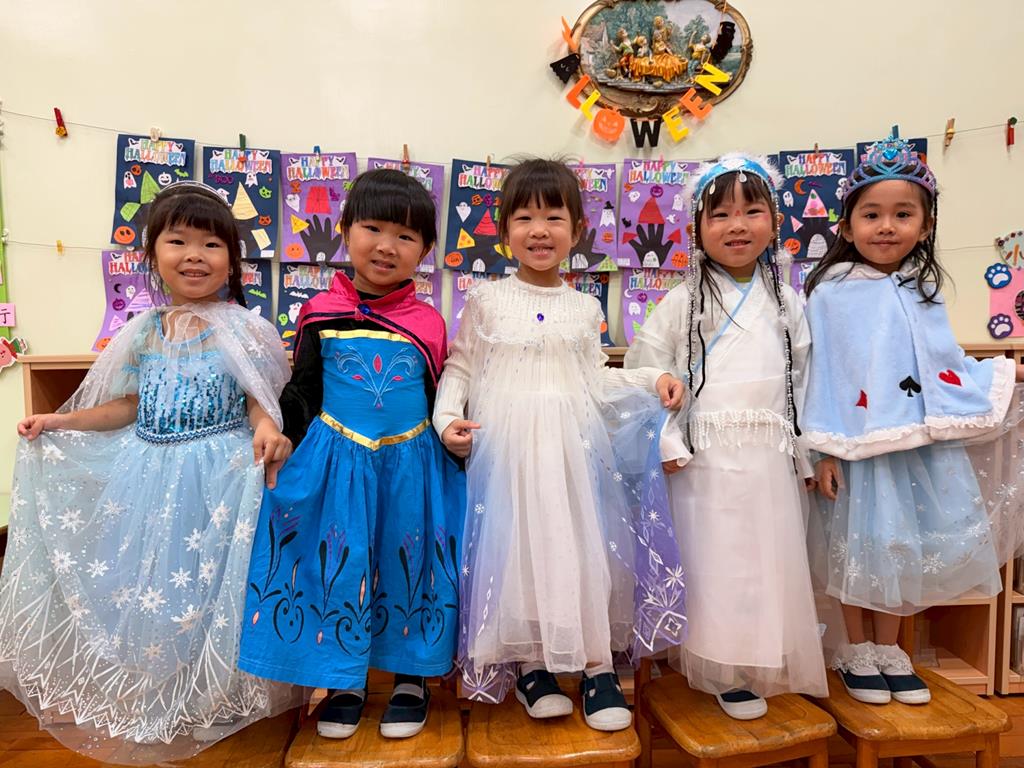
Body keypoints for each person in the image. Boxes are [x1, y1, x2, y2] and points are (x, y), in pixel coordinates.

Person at [0, 182, 299, 763]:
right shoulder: (143, 331)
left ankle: (214, 695)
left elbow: (259, 400)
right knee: (151, 587)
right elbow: (129, 405)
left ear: (232, 260)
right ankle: (160, 693)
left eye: (211, 244)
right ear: (152, 253)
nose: (194, 255)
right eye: (178, 241)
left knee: (211, 588)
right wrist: (61, 422)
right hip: (146, 477)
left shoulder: (248, 329)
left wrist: (267, 428)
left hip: (218, 477)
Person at [436, 158, 686, 732]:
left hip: (574, 453)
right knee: (520, 554)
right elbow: (461, 367)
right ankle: (532, 666)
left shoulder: (584, 308)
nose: (539, 230)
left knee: (578, 550)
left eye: (554, 217)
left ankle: (597, 666)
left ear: (578, 230)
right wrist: (446, 418)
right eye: (524, 218)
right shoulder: (486, 300)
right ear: (504, 230)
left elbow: (596, 378)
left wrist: (651, 378)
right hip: (507, 456)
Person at [239, 169, 463, 740]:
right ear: (344, 231)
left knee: (410, 564)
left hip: (412, 467)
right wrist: (281, 434)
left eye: (406, 236)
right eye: (373, 228)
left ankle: (411, 678)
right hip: (338, 465)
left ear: (426, 252)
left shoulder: (431, 323)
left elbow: (442, 397)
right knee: (340, 563)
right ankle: (344, 679)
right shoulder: (317, 312)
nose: (387, 246)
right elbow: (304, 389)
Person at [803, 135, 1024, 705]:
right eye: (871, 214)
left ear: (925, 226)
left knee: (901, 548)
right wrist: (821, 450)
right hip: (856, 451)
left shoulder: (924, 290)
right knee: (857, 551)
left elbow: (941, 366)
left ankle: (891, 650)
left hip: (913, 448)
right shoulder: (830, 294)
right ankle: (856, 652)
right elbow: (820, 373)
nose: (886, 226)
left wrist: (1004, 375)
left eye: (903, 214)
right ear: (847, 225)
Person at [626, 153, 828, 719]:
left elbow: (803, 382)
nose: (737, 226)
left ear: (775, 221)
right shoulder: (682, 301)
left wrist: (806, 457)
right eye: (720, 215)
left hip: (769, 458)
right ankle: (721, 667)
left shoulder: (788, 302)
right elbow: (646, 370)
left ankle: (757, 661)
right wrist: (667, 440)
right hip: (704, 460)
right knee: (715, 562)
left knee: (764, 562)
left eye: (751, 211)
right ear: (697, 228)